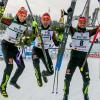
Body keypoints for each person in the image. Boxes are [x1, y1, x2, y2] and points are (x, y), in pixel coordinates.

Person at [0, 3, 35, 97]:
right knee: (10, 67)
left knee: (21, 66)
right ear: (18, 14)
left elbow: (28, 39)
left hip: (14, 47)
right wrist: (1, 9)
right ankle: (2, 87)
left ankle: (13, 81)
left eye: (24, 15)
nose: (23, 17)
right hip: (6, 45)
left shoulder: (25, 27)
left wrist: (34, 29)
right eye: (21, 15)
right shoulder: (11, 21)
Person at [63, 16, 100, 100]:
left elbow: (97, 29)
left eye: (84, 23)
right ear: (78, 23)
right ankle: (65, 94)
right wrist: (69, 15)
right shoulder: (74, 31)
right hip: (73, 59)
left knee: (87, 80)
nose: (82, 24)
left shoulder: (88, 33)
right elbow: (68, 25)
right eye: (81, 22)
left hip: (83, 61)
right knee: (67, 79)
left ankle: (85, 93)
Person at [32, 12, 61, 87]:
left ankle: (43, 74)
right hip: (36, 50)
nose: (45, 21)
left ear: (49, 21)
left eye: (47, 19)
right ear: (41, 20)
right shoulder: (38, 29)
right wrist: (33, 28)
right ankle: (38, 77)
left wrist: (60, 39)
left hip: (45, 52)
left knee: (51, 72)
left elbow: (56, 43)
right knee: (36, 63)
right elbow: (31, 38)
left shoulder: (52, 32)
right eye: (44, 19)